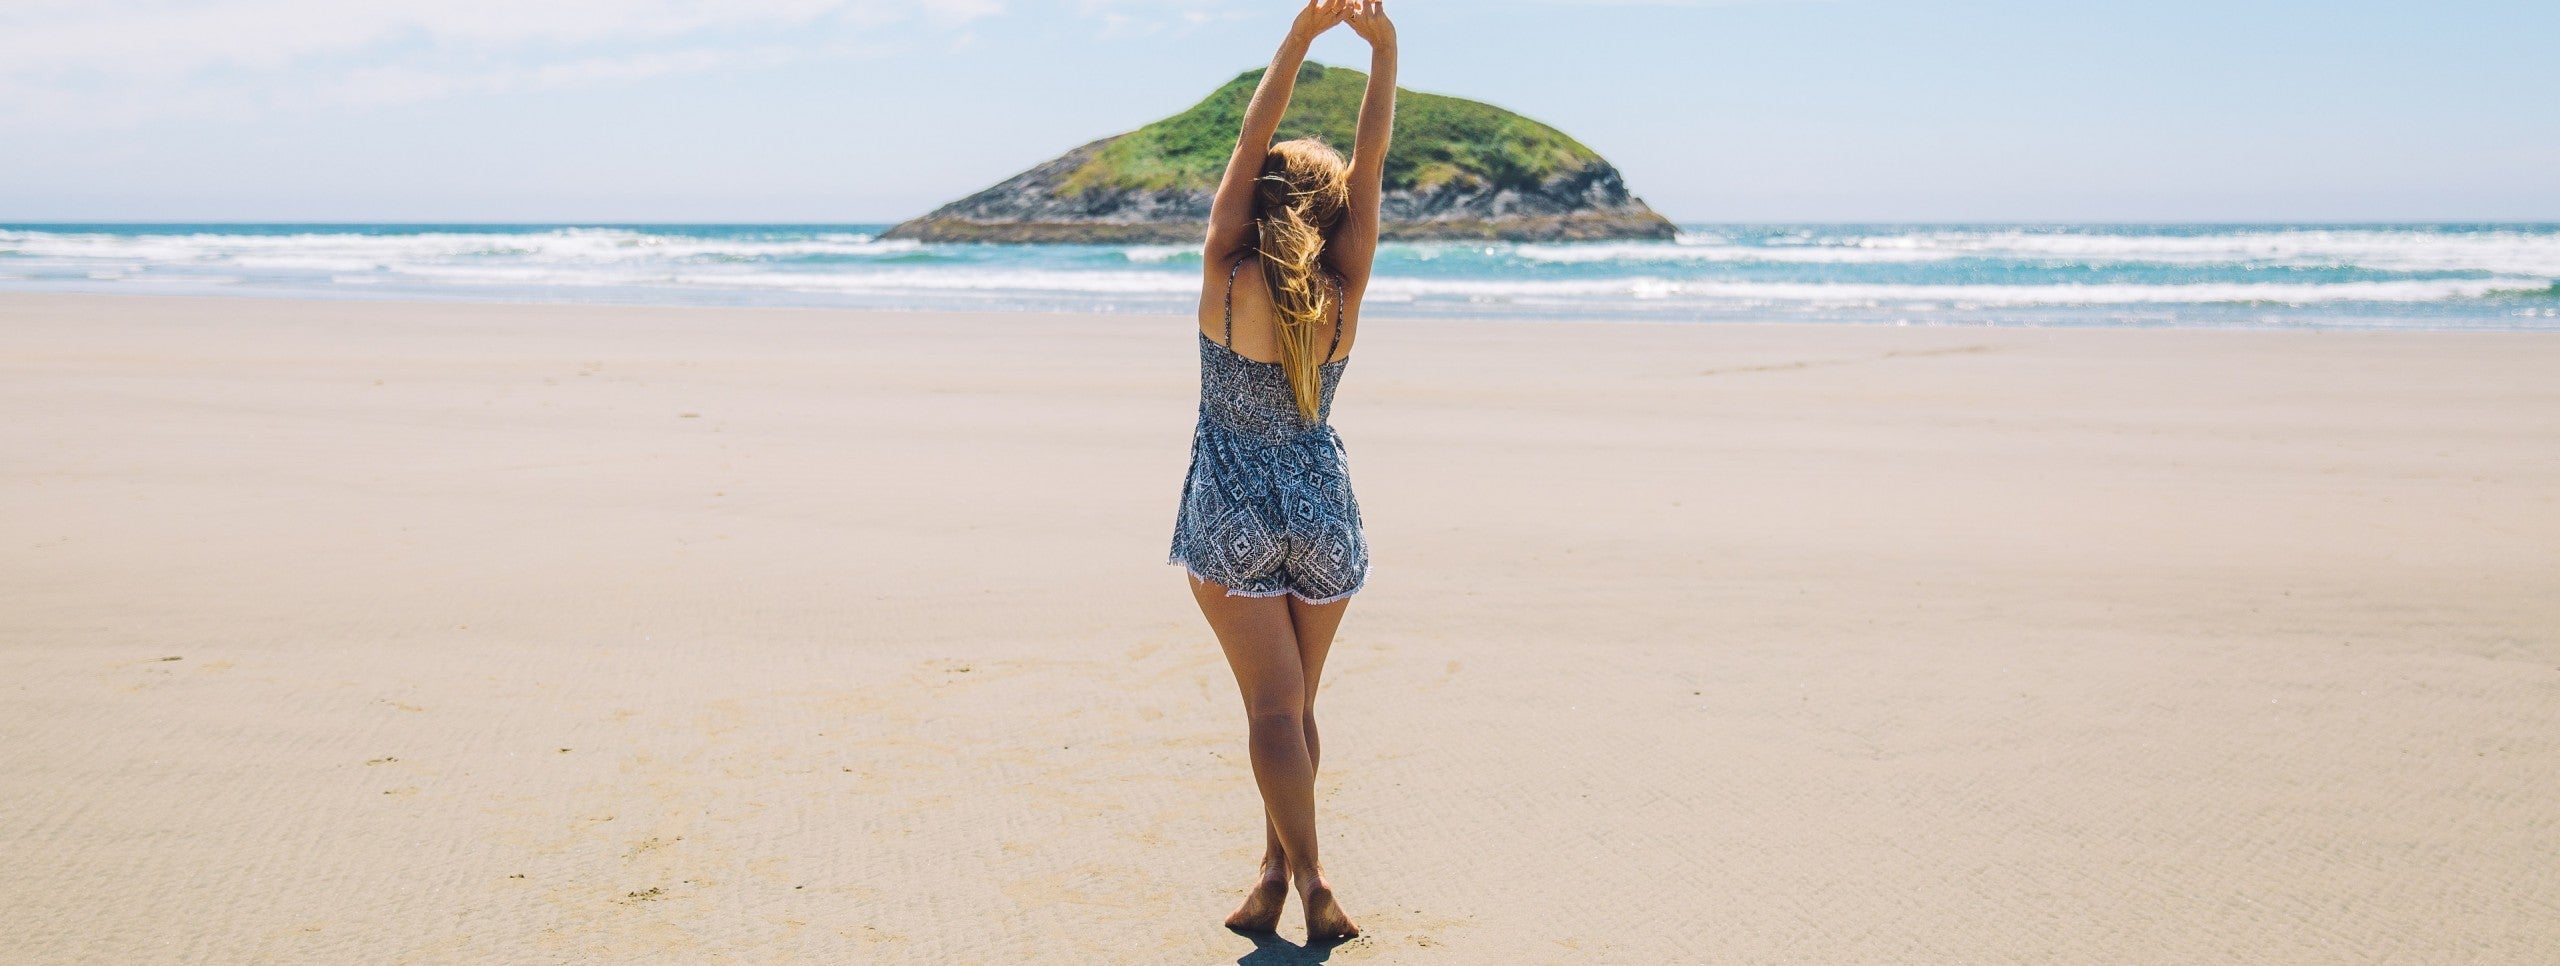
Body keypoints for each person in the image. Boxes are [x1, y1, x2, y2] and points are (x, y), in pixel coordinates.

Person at [1165, 0, 1396, 943]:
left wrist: (1297, 41)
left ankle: (1310, 878)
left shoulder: (1227, 269)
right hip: (1322, 507)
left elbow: (1243, 146)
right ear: (1333, 211)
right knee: (1296, 709)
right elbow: (1371, 166)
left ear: (1258, 197)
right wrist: (1385, 54)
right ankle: (1270, 873)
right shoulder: (1345, 281)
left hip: (1232, 505)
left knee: (1270, 709)